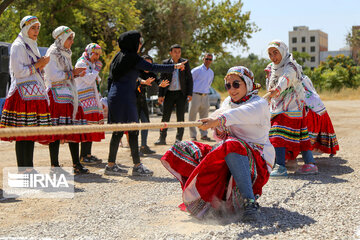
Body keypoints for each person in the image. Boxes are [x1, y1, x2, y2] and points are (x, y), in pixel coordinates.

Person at [161, 66, 275, 222]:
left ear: (247, 83)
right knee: (185, 147)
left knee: (232, 144)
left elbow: (239, 114)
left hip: (256, 163)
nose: (231, 89)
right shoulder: (229, 102)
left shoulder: (259, 104)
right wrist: (212, 123)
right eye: (228, 85)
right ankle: (207, 201)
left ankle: (250, 202)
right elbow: (220, 119)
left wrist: (218, 120)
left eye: (236, 84)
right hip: (231, 154)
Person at [105, 30, 188, 176]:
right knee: (133, 130)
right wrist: (175, 67)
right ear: (133, 43)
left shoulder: (119, 56)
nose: (140, 44)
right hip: (125, 98)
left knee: (118, 132)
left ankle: (111, 165)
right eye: (139, 42)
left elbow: (113, 79)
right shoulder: (132, 57)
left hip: (115, 97)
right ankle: (137, 166)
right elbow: (153, 67)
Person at [0, 16, 53, 173]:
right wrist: (39, 64)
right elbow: (19, 72)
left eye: (38, 28)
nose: (36, 31)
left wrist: (40, 66)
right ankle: (23, 170)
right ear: (25, 28)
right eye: (33, 28)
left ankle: (28, 168)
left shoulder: (31, 44)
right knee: (23, 134)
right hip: (22, 95)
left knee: (30, 133)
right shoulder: (18, 46)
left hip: (32, 94)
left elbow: (33, 70)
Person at [266, 40, 317, 177]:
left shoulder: (291, 66)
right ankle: (310, 164)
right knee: (301, 136)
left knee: (277, 133)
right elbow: (271, 84)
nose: (273, 57)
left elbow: (285, 80)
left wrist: (274, 92)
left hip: (291, 107)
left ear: (283, 51)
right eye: (270, 54)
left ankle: (281, 166)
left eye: (275, 52)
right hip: (281, 107)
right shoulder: (273, 67)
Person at [44, 26, 89, 174]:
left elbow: (66, 74)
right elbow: (53, 76)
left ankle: (76, 164)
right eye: (69, 38)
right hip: (56, 94)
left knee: (73, 128)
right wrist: (72, 73)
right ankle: (54, 166)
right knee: (56, 131)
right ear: (61, 39)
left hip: (69, 93)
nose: (72, 41)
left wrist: (75, 74)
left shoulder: (66, 53)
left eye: (72, 37)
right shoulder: (53, 52)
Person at [155, 44, 193, 145]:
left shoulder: (185, 63)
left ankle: (178, 139)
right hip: (169, 93)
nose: (177, 54)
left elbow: (189, 79)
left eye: (179, 52)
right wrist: (160, 95)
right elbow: (162, 80)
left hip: (181, 94)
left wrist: (190, 93)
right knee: (165, 117)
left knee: (180, 117)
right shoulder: (165, 63)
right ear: (170, 53)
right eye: (175, 51)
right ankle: (162, 138)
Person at [75, 43, 105, 165]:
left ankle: (88, 154)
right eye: (95, 54)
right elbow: (88, 79)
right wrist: (97, 70)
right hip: (83, 98)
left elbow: (95, 80)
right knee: (86, 127)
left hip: (91, 98)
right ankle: (83, 155)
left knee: (92, 126)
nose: (97, 57)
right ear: (89, 52)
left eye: (98, 54)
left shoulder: (90, 63)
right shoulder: (81, 63)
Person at [136, 55, 169, 156]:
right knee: (134, 125)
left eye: (149, 64)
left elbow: (157, 79)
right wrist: (143, 82)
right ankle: (135, 148)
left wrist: (161, 83)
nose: (147, 66)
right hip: (132, 101)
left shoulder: (151, 72)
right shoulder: (136, 71)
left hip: (142, 101)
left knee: (146, 123)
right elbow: (137, 79)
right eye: (146, 63)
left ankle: (143, 146)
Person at [301, 74, 339, 156]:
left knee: (309, 132)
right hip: (319, 113)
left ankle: (308, 151)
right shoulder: (314, 95)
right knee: (323, 130)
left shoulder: (306, 96)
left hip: (313, 115)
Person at [188, 53, 214, 141]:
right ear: (203, 59)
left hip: (205, 96)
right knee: (192, 116)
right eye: (207, 59)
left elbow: (209, 84)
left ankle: (204, 135)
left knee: (204, 117)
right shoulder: (196, 70)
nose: (208, 61)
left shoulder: (211, 72)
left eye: (210, 59)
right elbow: (189, 82)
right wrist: (189, 94)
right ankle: (193, 135)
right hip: (195, 95)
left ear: (212, 61)